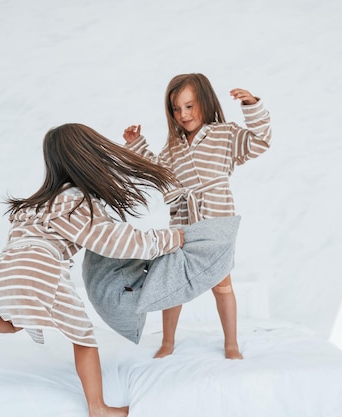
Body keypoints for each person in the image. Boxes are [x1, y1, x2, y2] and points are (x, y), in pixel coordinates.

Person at [0, 123, 186, 417]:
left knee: (14, 317)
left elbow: (19, 252)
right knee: (83, 337)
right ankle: (98, 407)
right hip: (40, 269)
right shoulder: (76, 202)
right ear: (88, 159)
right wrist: (171, 238)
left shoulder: (32, 205)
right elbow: (117, 243)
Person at [122, 73, 272, 360]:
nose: (183, 114)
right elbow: (156, 172)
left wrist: (251, 105)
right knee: (171, 281)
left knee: (222, 284)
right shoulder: (173, 147)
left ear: (204, 102)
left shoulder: (225, 134)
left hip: (216, 220)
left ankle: (231, 344)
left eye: (189, 106)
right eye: (176, 109)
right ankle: (167, 341)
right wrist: (137, 144)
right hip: (181, 224)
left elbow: (260, 141)